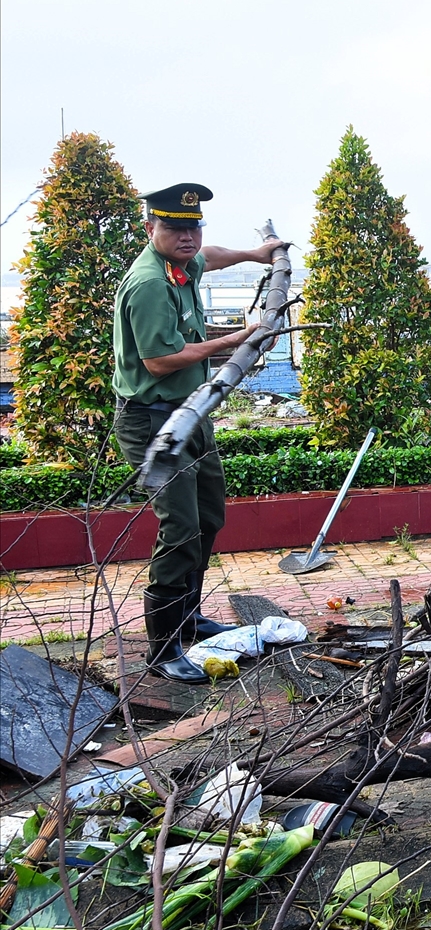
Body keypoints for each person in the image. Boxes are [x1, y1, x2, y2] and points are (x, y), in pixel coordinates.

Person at [112, 183, 284, 683]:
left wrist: (256, 252)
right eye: (173, 227)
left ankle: (187, 620)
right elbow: (160, 360)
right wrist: (238, 338)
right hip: (153, 419)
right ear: (150, 230)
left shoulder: (182, 263)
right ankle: (163, 649)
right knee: (180, 528)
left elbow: (210, 254)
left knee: (209, 515)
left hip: (192, 409)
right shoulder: (148, 283)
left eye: (192, 226)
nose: (187, 236)